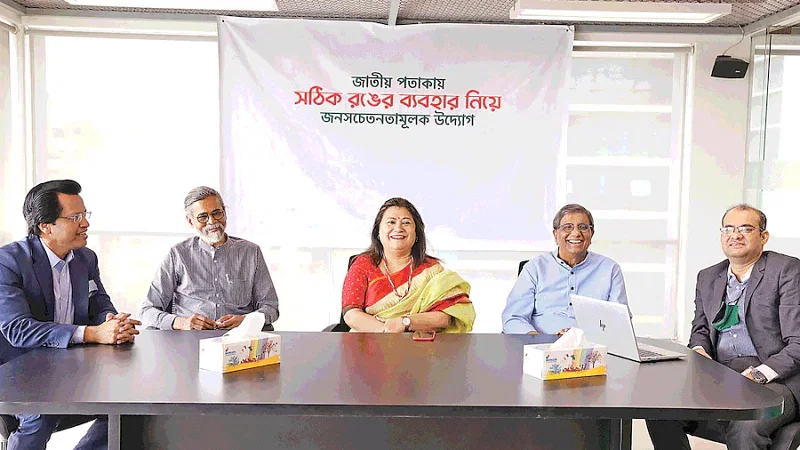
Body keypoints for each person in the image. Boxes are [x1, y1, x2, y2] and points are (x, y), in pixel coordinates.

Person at [0, 179, 139, 450]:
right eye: (75, 217)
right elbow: (18, 329)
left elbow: (99, 302)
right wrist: (91, 333)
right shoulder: (9, 261)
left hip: (72, 369)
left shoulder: (85, 258)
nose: (85, 223)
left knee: (134, 406)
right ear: (45, 226)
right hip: (21, 372)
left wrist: (111, 321)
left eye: (85, 215)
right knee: (41, 415)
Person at [647, 204, 800, 450]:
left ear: (764, 236)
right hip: (721, 375)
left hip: (776, 379)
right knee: (660, 408)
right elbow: (700, 330)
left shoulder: (786, 270)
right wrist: (699, 352)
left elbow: (798, 343)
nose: (735, 235)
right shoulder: (708, 276)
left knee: (745, 426)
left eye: (746, 228)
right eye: (728, 228)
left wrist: (757, 374)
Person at [141, 186, 279, 331]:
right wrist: (182, 323)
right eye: (203, 217)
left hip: (239, 340)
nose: (212, 221)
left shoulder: (251, 252)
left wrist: (246, 321)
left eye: (217, 213)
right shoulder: (178, 254)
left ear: (224, 213)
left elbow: (270, 307)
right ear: (190, 221)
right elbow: (148, 310)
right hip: (190, 340)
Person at [342, 197, 475, 333]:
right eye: (391, 222)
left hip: (421, 346)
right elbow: (351, 314)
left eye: (406, 223)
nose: (398, 228)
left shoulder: (432, 269)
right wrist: (387, 332)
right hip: (371, 343)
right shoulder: (363, 264)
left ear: (416, 233)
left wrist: (405, 322)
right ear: (378, 232)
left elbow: (444, 318)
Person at [502, 204, 627, 334]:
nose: (576, 233)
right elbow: (513, 318)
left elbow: (620, 322)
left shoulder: (610, 269)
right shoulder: (535, 267)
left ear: (592, 234)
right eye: (568, 227)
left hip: (592, 347)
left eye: (583, 227)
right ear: (556, 234)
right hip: (541, 346)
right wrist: (539, 341)